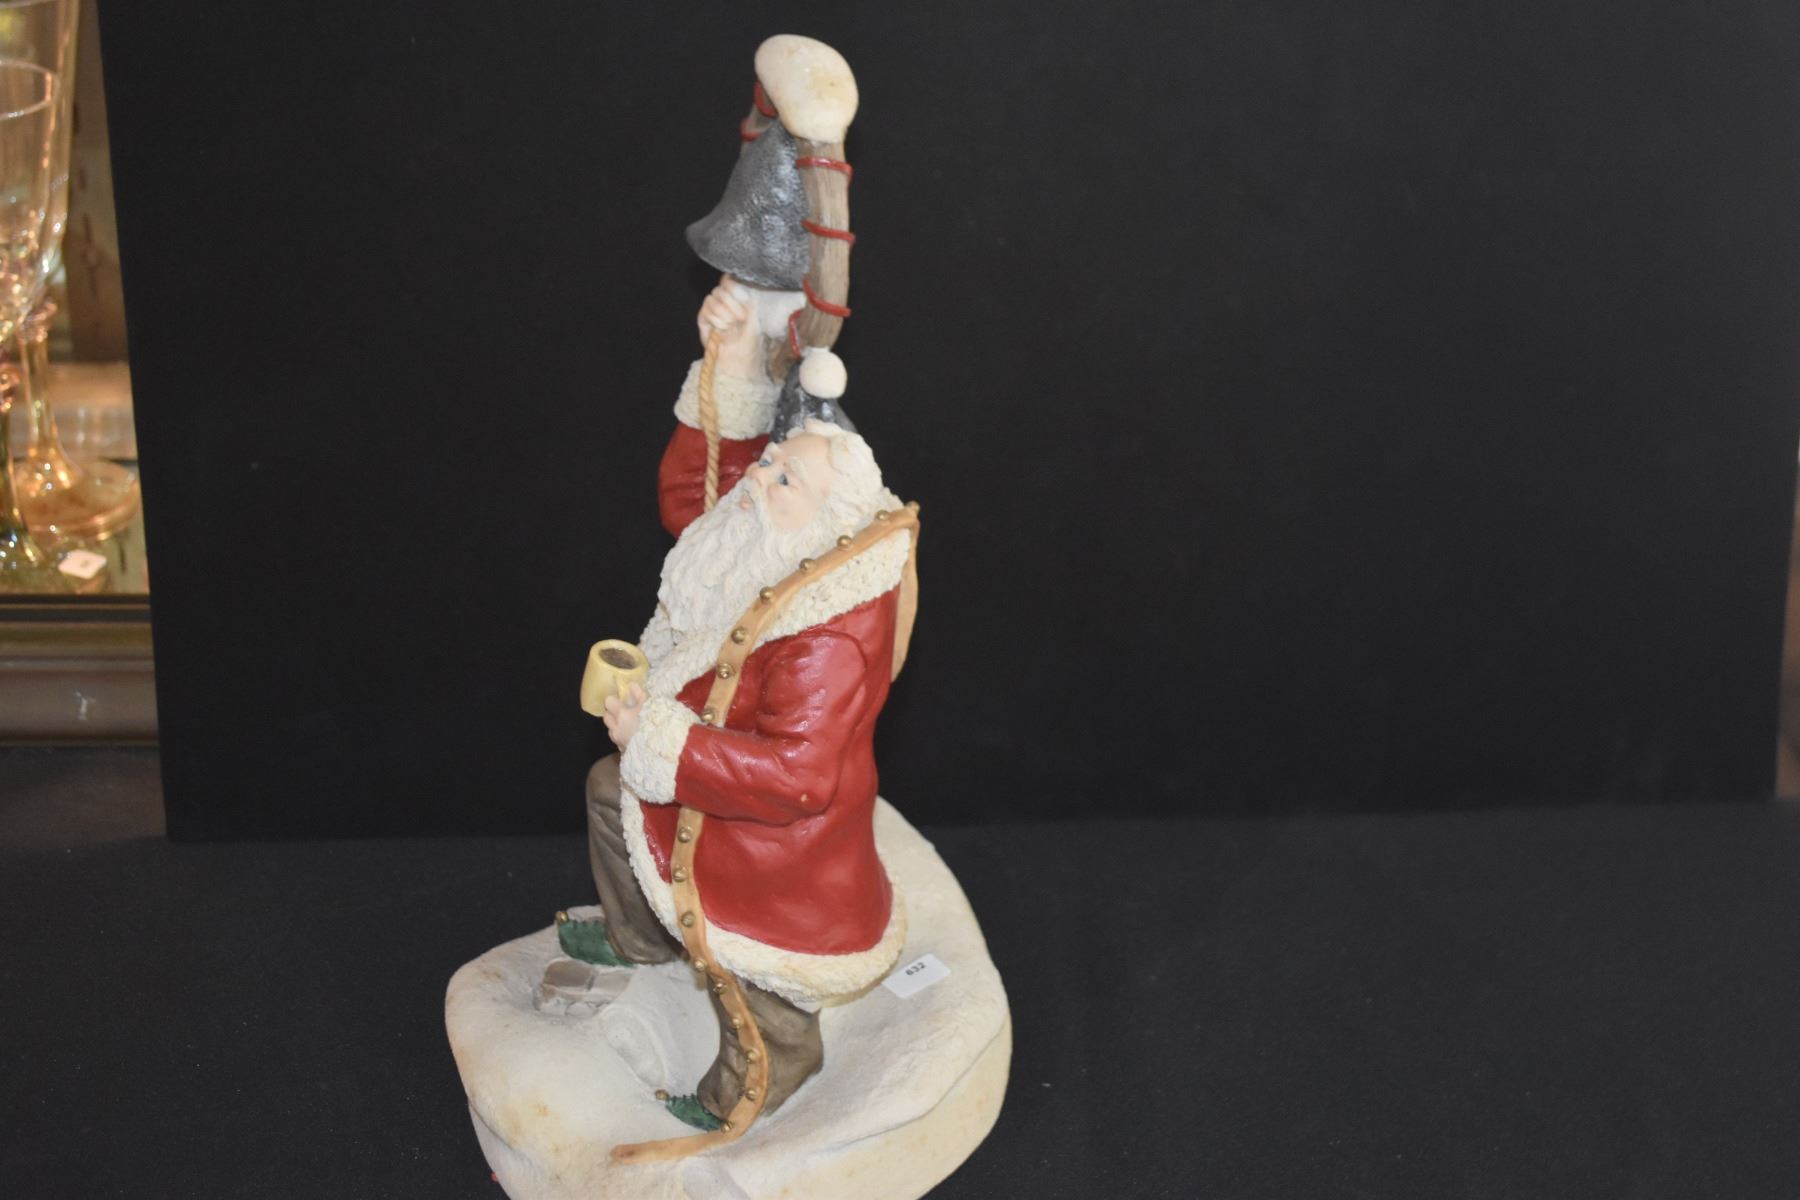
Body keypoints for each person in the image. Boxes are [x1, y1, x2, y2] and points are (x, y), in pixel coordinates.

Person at [570, 314, 911, 1123]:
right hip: (712, 766)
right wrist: (726, 366)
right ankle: (643, 936)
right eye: (772, 461)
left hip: (778, 844)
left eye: (784, 478)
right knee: (608, 790)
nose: (760, 479)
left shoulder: (828, 635)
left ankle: (761, 1079)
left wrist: (659, 742)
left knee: (759, 969)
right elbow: (696, 497)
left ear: (827, 518)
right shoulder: (770, 530)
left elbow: (798, 777)